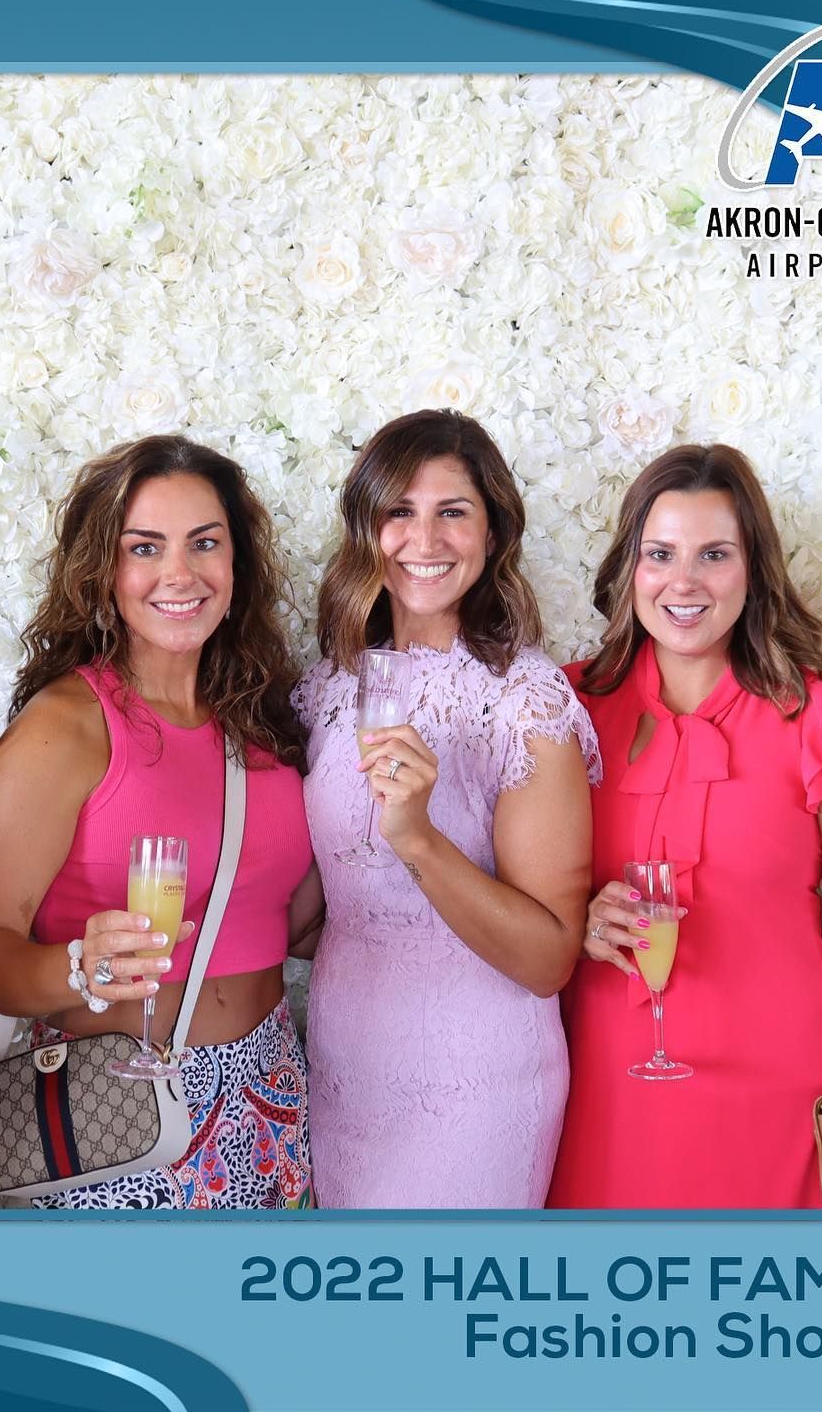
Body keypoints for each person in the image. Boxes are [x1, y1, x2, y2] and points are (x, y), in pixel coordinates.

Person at [0, 435, 318, 1209]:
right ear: (104, 572)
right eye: (144, 548)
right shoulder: (64, 729)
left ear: (237, 565)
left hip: (272, 1096)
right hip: (117, 1115)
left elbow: (288, 922)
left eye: (204, 543)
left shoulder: (263, 723)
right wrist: (78, 968)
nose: (179, 574)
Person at [546, 444, 822, 1210]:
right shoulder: (566, 711)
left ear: (754, 568)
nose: (684, 581)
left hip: (782, 1097)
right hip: (608, 1090)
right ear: (630, 568)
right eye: (660, 554)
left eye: (715, 555)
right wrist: (573, 925)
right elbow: (522, 909)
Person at [294, 408, 598, 1208]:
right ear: (367, 528)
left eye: (452, 512)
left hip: (475, 1079)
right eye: (400, 510)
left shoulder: (525, 701)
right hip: (345, 1065)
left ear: (492, 534)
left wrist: (419, 839)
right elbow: (320, 904)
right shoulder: (329, 687)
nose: (423, 539)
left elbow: (548, 959)